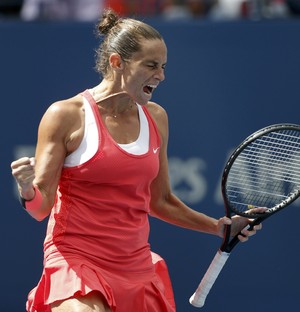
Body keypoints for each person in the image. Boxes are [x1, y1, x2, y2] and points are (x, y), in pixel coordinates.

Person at [11, 8, 263, 312]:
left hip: (135, 263)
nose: (161, 75)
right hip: (75, 257)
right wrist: (27, 189)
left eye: (164, 66)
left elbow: (162, 201)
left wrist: (220, 228)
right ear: (117, 62)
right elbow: (40, 208)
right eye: (151, 65)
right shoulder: (65, 115)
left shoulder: (157, 118)